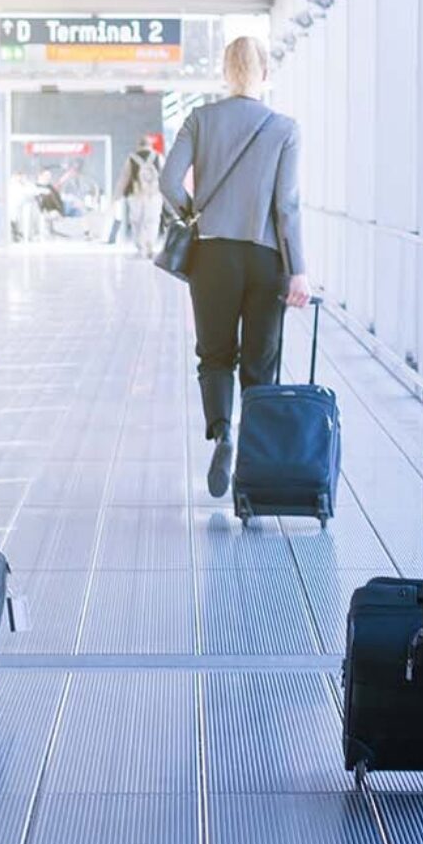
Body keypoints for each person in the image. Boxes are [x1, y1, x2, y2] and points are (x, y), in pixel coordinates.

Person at [162, 37, 308, 499]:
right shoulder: (284, 127)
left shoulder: (201, 119)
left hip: (213, 255)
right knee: (260, 363)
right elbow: (286, 205)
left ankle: (222, 431)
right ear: (265, 72)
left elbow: (168, 181)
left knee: (215, 354)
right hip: (266, 259)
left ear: (226, 71)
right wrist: (298, 268)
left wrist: (193, 212)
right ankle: (255, 461)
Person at [117, 134, 164, 255]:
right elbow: (165, 176)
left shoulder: (132, 158)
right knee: (152, 220)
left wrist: (117, 195)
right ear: (150, 145)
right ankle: (150, 244)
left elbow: (124, 178)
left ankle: (140, 245)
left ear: (138, 145)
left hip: (136, 194)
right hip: (153, 194)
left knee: (136, 221)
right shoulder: (158, 157)